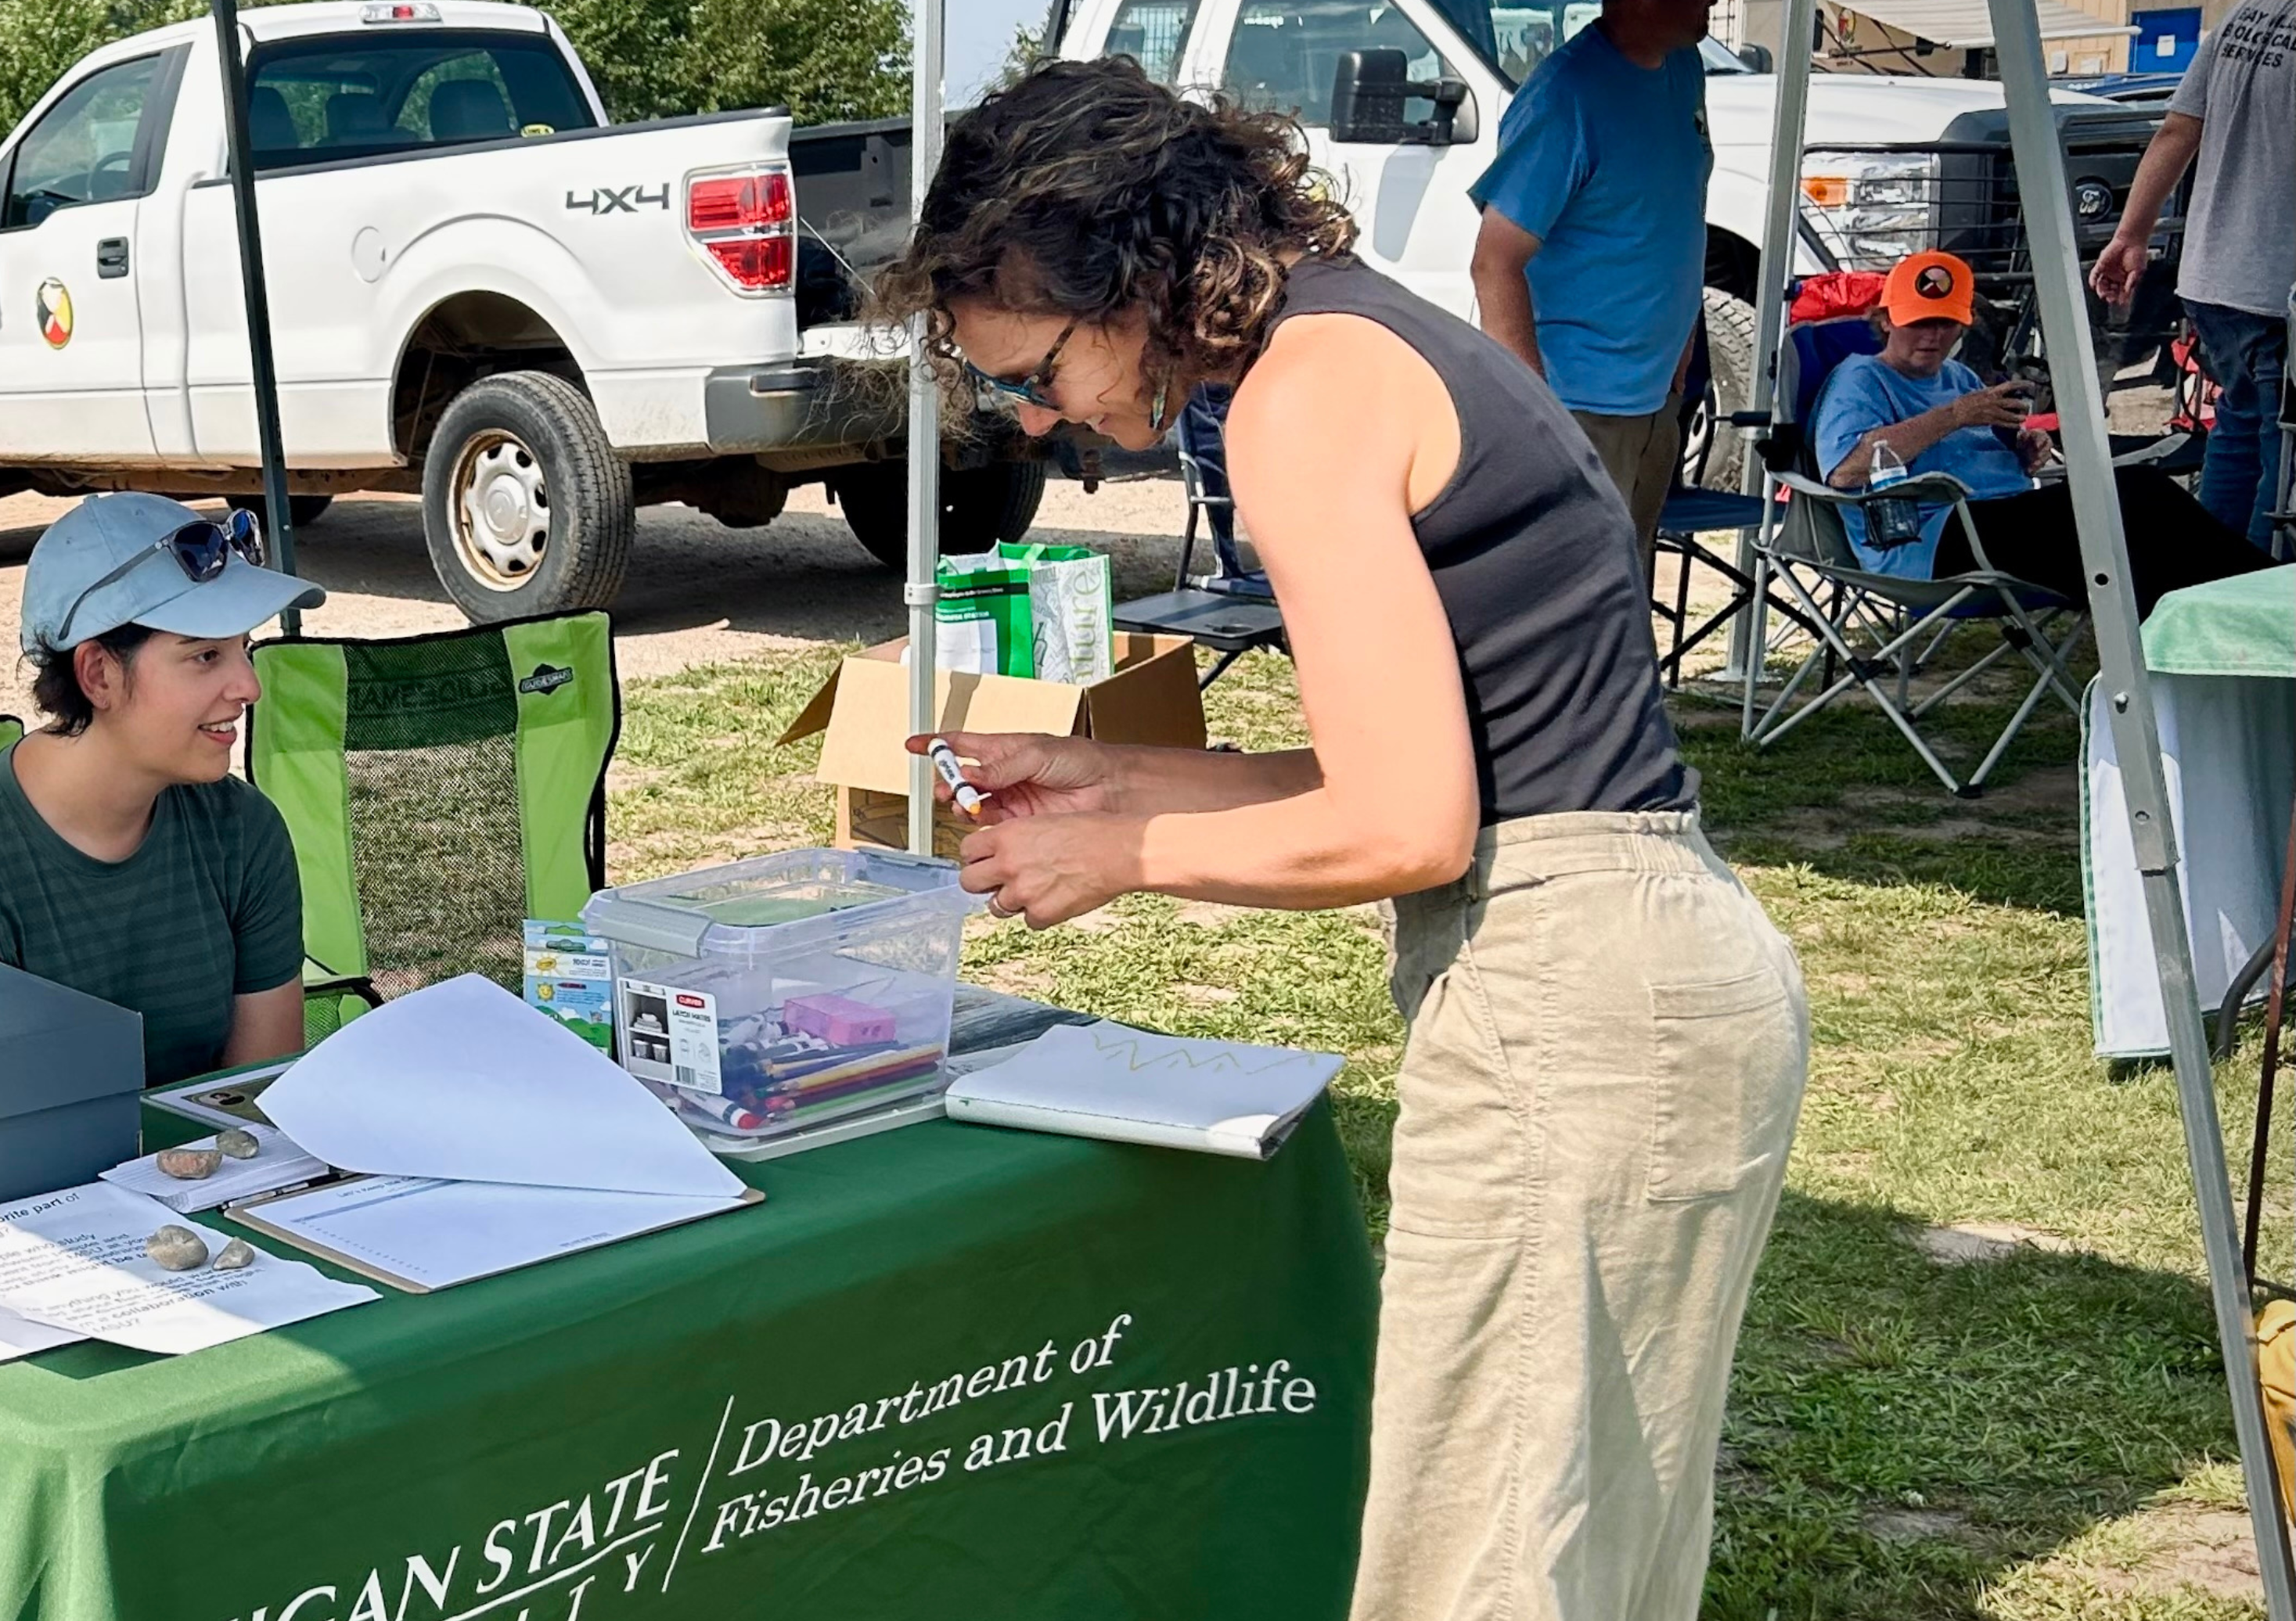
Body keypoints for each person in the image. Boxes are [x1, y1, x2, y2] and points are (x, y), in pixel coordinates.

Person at [880, 60, 1805, 1621]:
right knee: (1590, 1559)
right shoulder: (1368, 332)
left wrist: (1121, 862)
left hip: (1571, 1000)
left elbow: (1408, 822)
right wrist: (1110, 782)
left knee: (1484, 1566)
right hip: (1653, 966)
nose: (1040, 419)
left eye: (1030, 368)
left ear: (1125, 277)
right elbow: (1440, 758)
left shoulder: (1302, 403)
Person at [0, 493, 322, 1086]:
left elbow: (259, 1101)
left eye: (244, 650)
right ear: (99, 674)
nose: (249, 686)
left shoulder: (243, 831)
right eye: (206, 656)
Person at [1814, 251, 2271, 612]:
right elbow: (1847, 472)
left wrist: (2023, 450)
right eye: (1918, 322)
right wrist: (1954, 416)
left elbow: (1977, 443)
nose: (1932, 336)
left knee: (2145, 532)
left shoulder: (1957, 378)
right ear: (1887, 319)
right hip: (1932, 540)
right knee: (2136, 503)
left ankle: (2234, 614)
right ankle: (2261, 598)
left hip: (2003, 518)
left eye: (1945, 322)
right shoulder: (1860, 380)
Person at [1466, 0, 1715, 572]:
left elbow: (1679, 207)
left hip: (1655, 401)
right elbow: (1494, 263)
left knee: (1624, 608)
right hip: (1578, 406)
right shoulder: (1566, 97)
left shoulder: (1684, 67)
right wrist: (1534, 411)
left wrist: (1683, 342)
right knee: (1573, 613)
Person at [2092, 0, 2291, 554]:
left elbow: (2177, 129)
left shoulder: (2246, 13)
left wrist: (2131, 235)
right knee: (2284, 468)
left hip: (2215, 278)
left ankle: (2202, 589)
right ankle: (2257, 608)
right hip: (2279, 290)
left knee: (2240, 433)